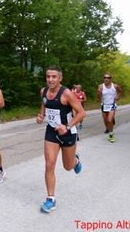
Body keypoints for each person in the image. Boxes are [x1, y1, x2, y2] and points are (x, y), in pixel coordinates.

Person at [36, 66, 85, 213]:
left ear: (60, 78)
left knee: (68, 166)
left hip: (68, 133)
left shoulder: (67, 94)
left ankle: (75, 160)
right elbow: (44, 104)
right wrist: (41, 116)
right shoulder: (43, 91)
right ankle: (51, 199)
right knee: (49, 164)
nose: (50, 79)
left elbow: (82, 113)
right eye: (48, 76)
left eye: (54, 77)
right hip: (51, 132)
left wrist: (67, 126)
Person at [97, 73, 122, 143]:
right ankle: (110, 124)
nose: (106, 79)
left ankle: (111, 134)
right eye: (105, 77)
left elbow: (120, 91)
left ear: (110, 79)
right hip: (104, 105)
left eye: (108, 78)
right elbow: (98, 97)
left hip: (112, 105)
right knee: (106, 121)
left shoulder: (115, 86)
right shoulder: (101, 86)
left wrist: (117, 97)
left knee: (109, 120)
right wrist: (99, 93)